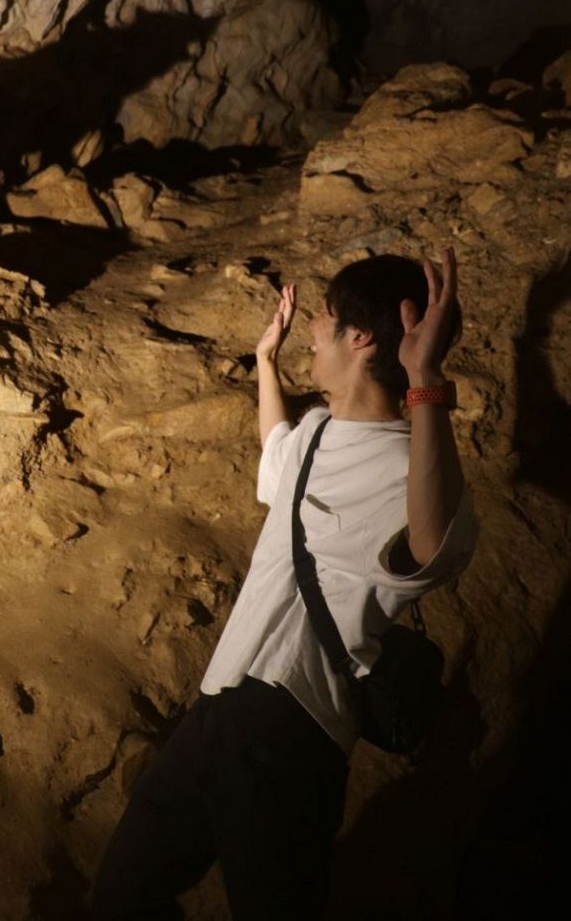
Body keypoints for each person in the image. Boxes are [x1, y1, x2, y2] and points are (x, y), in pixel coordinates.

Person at [92, 248, 477, 920]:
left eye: (321, 319)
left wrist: (425, 381)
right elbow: (278, 463)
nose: (308, 330)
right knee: (122, 894)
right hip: (215, 707)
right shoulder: (316, 430)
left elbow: (433, 547)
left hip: (290, 731)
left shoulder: (406, 467)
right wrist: (264, 365)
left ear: (358, 338)